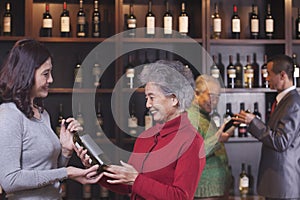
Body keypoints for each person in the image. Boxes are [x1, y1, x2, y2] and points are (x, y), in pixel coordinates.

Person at [75, 60, 206, 199]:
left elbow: (181, 197)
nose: (148, 104)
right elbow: (127, 185)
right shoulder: (147, 135)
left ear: (174, 99)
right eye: (146, 97)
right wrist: (96, 169)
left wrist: (136, 179)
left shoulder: (192, 141)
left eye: (152, 97)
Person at [0, 39, 101, 200]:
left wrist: (66, 152)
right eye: (45, 74)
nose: (51, 80)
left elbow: (48, 173)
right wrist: (67, 173)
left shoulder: (42, 114)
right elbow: (10, 180)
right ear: (26, 74)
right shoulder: (9, 115)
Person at [235, 54, 300, 200]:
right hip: (277, 185)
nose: (266, 78)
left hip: (283, 186)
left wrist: (254, 122)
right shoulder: (284, 101)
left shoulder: (293, 103)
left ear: (282, 75)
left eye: (269, 74)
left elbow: (281, 142)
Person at [187, 75, 233, 200]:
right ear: (196, 93)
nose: (215, 101)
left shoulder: (204, 116)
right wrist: (217, 139)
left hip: (214, 190)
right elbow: (193, 154)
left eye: (217, 97)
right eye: (211, 95)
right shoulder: (191, 117)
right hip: (204, 191)